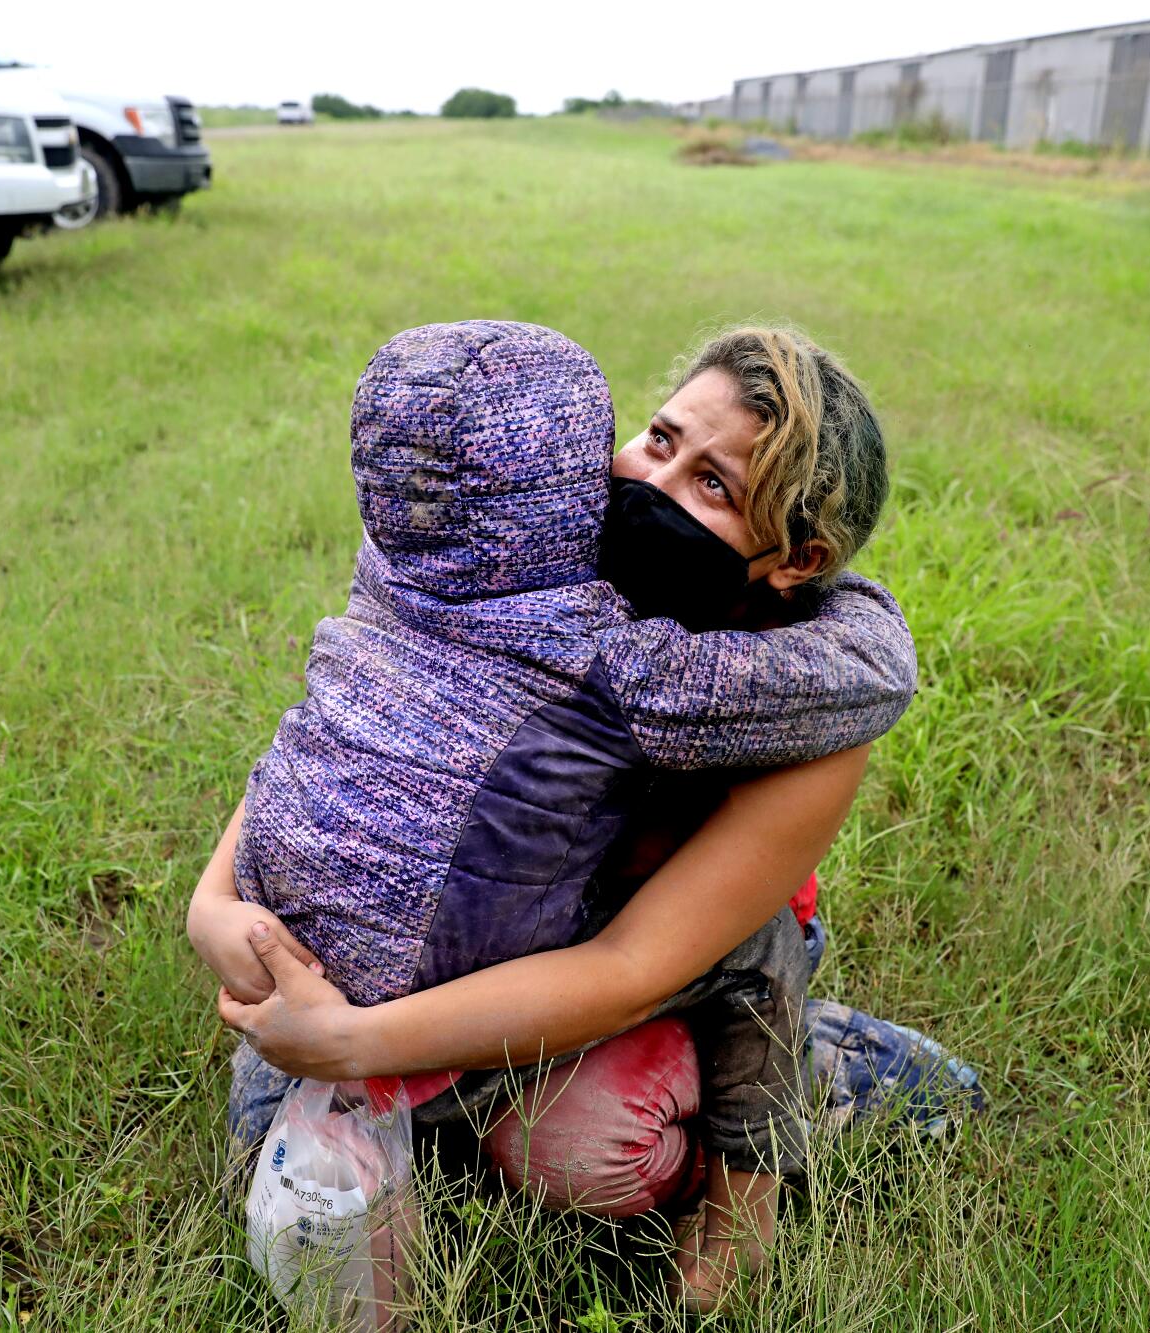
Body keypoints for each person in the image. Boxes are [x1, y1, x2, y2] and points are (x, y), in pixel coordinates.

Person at [205, 327, 983, 1309]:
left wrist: (354, 1043)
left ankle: (780, 1131)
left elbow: (628, 969)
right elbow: (355, 740)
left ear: (797, 559)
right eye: (658, 440)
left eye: (715, 487)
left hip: (688, 959)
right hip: (517, 925)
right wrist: (213, 903)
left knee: (594, 1141)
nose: (654, 485)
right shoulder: (537, 560)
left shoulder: (808, 698)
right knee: (280, 1145)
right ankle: (454, 1078)